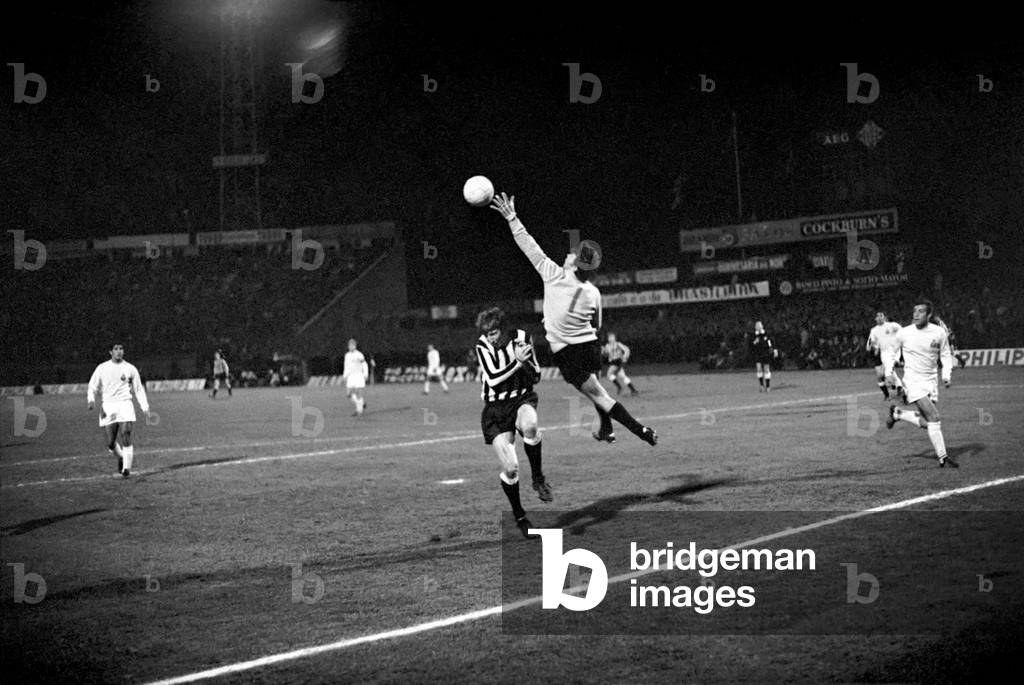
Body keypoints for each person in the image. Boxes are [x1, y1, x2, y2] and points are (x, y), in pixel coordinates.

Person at [490, 192, 656, 446]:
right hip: (590, 347)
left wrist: (512, 217)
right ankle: (606, 430)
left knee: (601, 397)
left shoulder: (553, 274)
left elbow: (528, 245)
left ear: (574, 263)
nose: (567, 254)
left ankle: (641, 430)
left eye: (571, 254)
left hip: (568, 353)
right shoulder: (593, 292)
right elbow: (597, 325)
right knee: (597, 391)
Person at [475, 307, 549, 539]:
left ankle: (538, 478)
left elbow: (536, 374)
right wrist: (517, 363)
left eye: (494, 332)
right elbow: (494, 379)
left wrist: (525, 362)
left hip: (521, 398)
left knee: (530, 427)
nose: (491, 338)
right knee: (511, 468)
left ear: (503, 329)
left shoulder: (522, 338)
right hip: (495, 411)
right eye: (487, 334)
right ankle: (520, 517)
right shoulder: (482, 346)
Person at [885, 301, 958, 468]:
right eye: (914, 311)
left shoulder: (939, 332)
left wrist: (946, 375)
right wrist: (889, 372)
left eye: (920, 312)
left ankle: (899, 414)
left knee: (929, 422)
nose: (916, 314)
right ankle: (943, 457)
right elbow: (891, 353)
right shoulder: (904, 333)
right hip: (912, 382)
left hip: (931, 381)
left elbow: (946, 355)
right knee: (934, 417)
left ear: (929, 315)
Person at [86, 343, 151, 478]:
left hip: (125, 404)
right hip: (108, 406)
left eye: (121, 348)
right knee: (110, 443)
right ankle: (122, 457)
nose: (119, 351)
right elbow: (92, 386)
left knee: (126, 433)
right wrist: (91, 400)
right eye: (116, 349)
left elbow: (138, 389)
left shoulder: (130, 368)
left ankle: (126, 469)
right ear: (110, 352)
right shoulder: (102, 368)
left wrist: (145, 408)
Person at [866, 312, 905, 401]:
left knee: (888, 369)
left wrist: (901, 339)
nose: (879, 318)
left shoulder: (892, 325)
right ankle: (898, 386)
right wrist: (875, 348)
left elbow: (902, 331)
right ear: (875, 319)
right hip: (883, 352)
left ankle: (893, 382)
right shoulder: (874, 330)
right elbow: (873, 342)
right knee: (884, 372)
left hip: (894, 350)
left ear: (884, 317)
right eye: (877, 316)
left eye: (881, 316)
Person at [343, 338, 369, 416]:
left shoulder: (359, 354)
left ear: (355, 346)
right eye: (350, 345)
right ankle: (361, 404)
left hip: (358, 375)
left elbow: (364, 364)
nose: (351, 347)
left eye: (352, 345)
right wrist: (345, 375)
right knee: (348, 394)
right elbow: (346, 366)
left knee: (358, 393)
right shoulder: (347, 355)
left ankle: (359, 411)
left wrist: (365, 374)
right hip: (351, 376)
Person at [750, 321, 775, 392]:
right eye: (757, 326)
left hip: (766, 353)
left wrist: (773, 350)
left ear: (762, 326)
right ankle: (761, 385)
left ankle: (768, 386)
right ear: (755, 327)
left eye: (759, 326)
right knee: (759, 368)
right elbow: (751, 345)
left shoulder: (766, 334)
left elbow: (770, 343)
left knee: (766, 369)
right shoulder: (753, 335)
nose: (758, 327)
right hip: (758, 354)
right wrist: (755, 342)